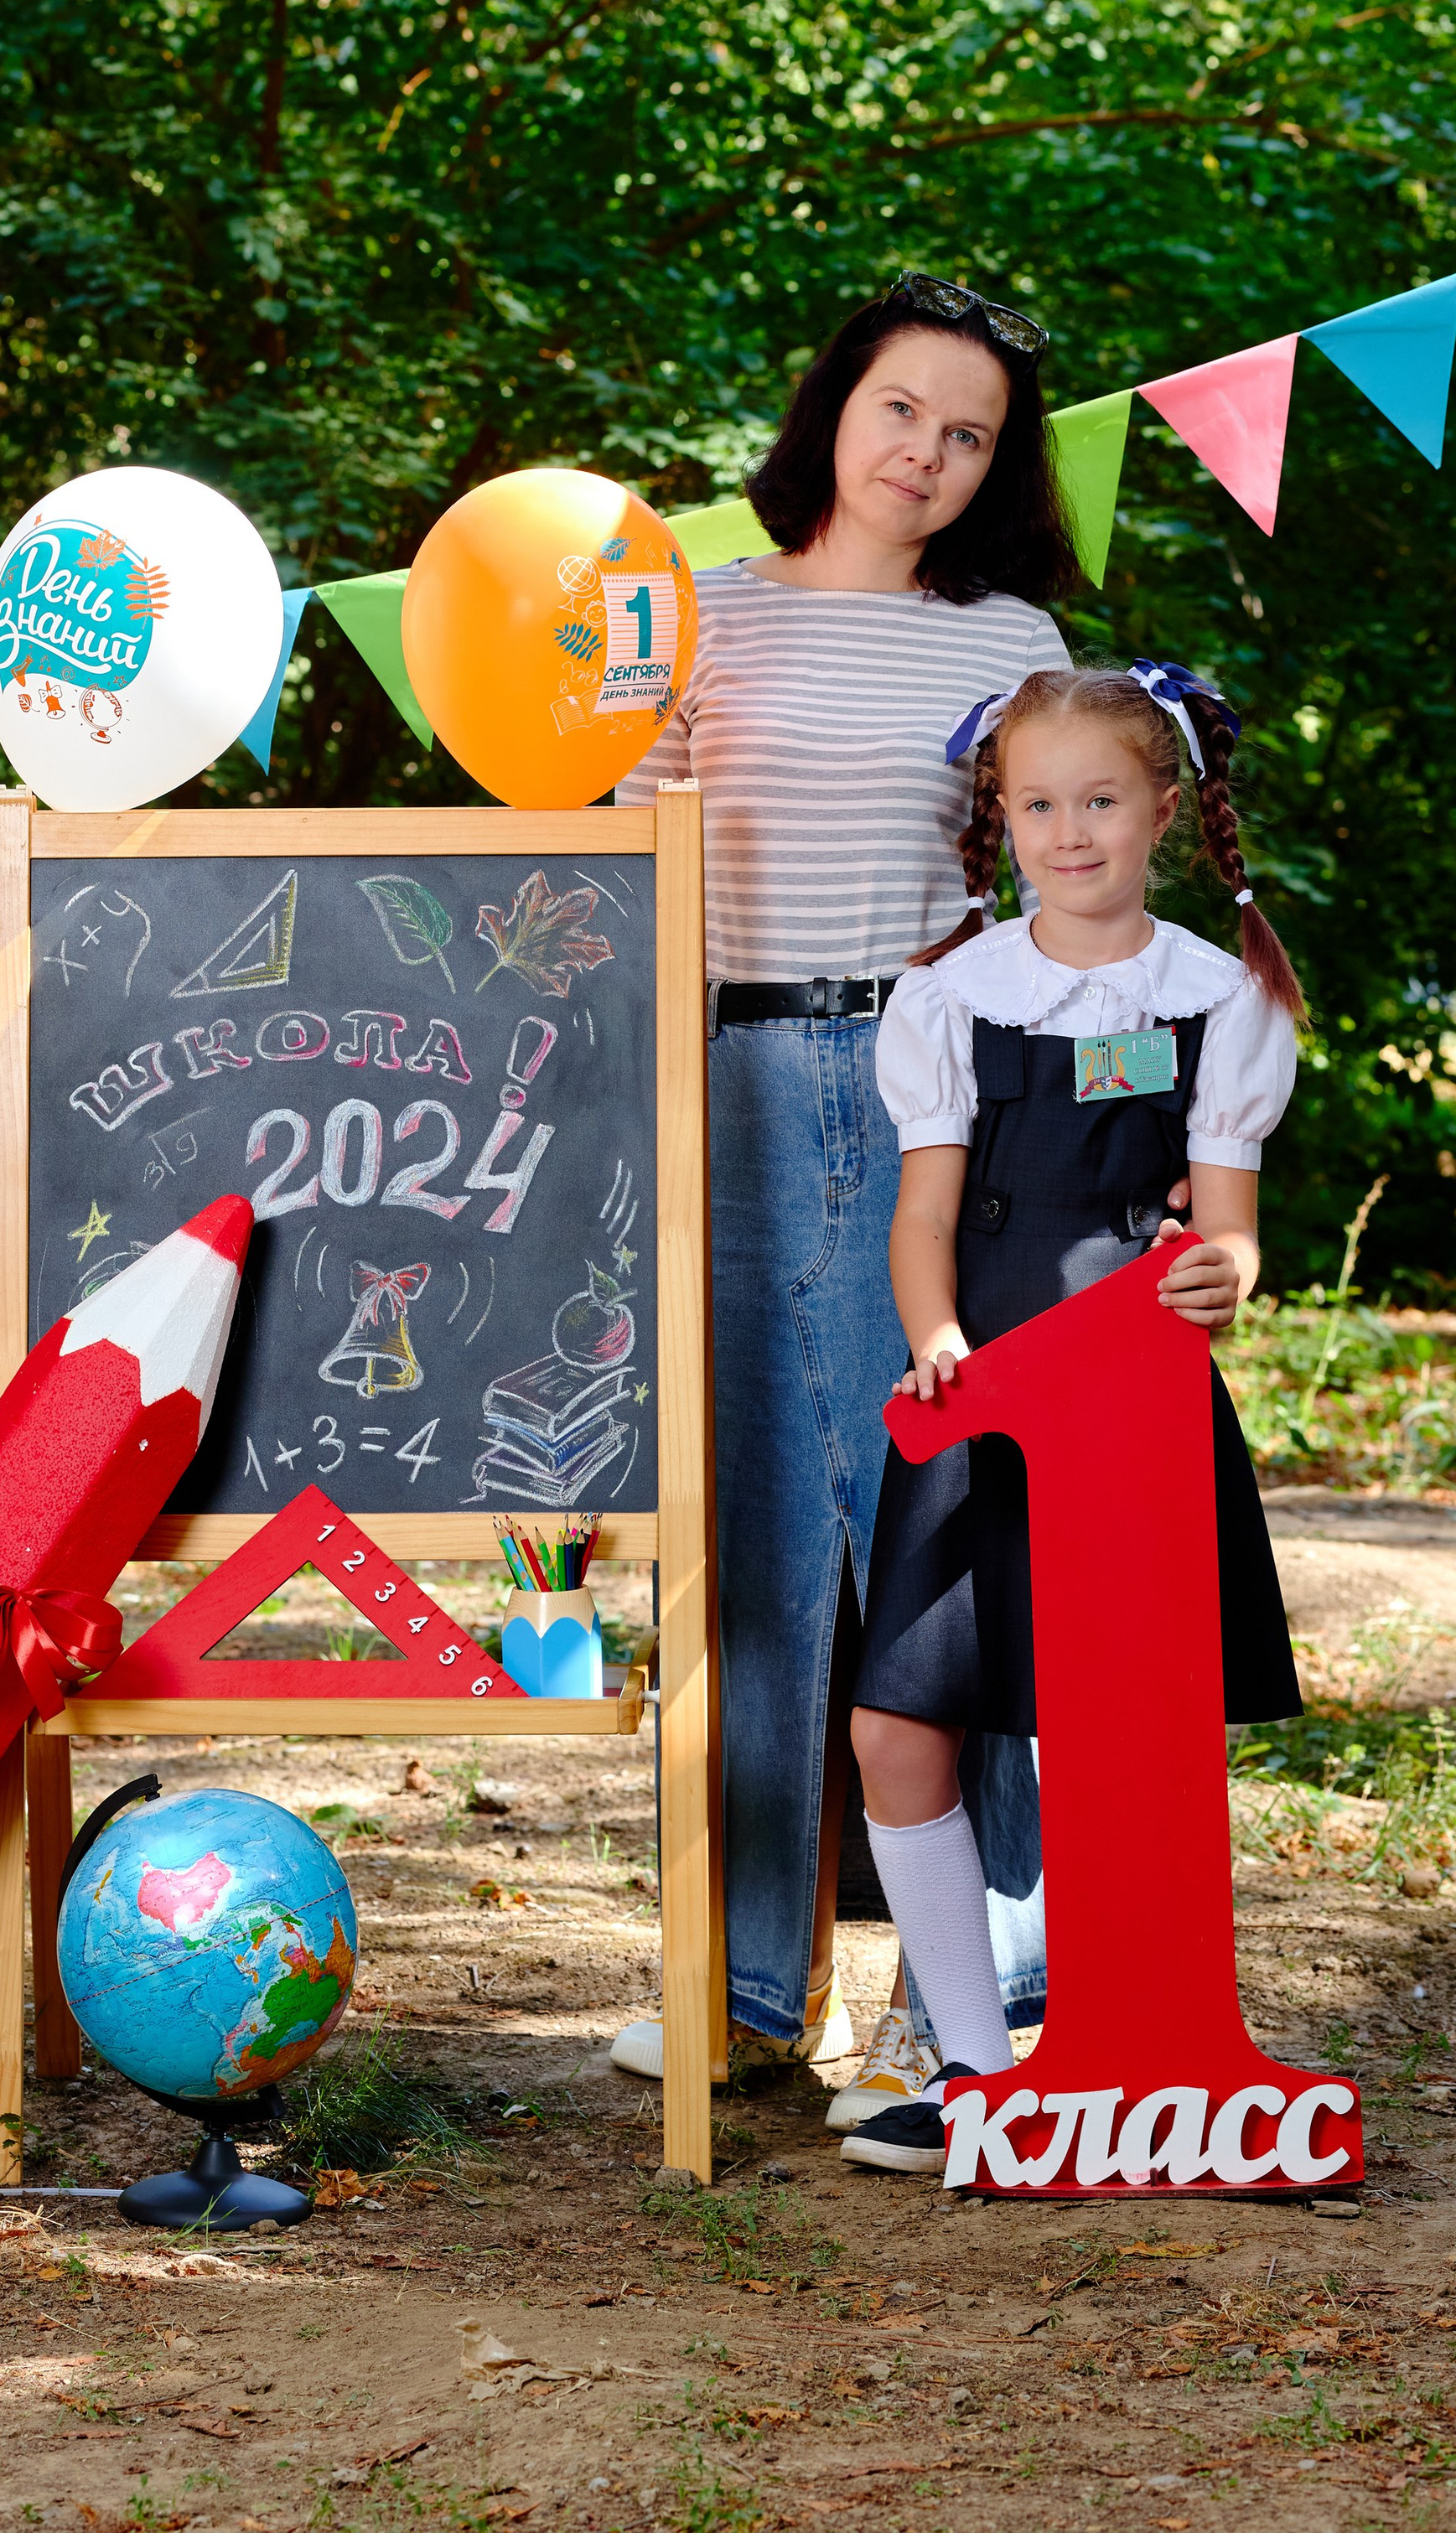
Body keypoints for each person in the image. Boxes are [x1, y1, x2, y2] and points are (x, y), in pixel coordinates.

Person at [612, 272, 1080, 2095]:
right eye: (903, 410)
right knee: (742, 1546)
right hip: (714, 1078)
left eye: (967, 436)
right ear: (832, 410)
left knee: (941, 1540)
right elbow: (616, 862)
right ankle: (738, 1995)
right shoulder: (689, 619)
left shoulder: (1006, 641)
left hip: (927, 1097)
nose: (928, 456)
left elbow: (1049, 891)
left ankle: (969, 2010)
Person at [839, 659, 1304, 2174]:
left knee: (1132, 1739)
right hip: (983, 1404)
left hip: (1140, 1417)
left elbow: (1230, 1231)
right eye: (1038, 804)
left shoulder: (1218, 995)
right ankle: (978, 2070)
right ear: (1004, 821)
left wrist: (1218, 1276)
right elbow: (924, 1219)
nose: (1070, 830)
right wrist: (937, 1335)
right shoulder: (954, 997)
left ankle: (1147, 2052)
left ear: (1162, 811)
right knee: (896, 1726)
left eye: (1100, 800)